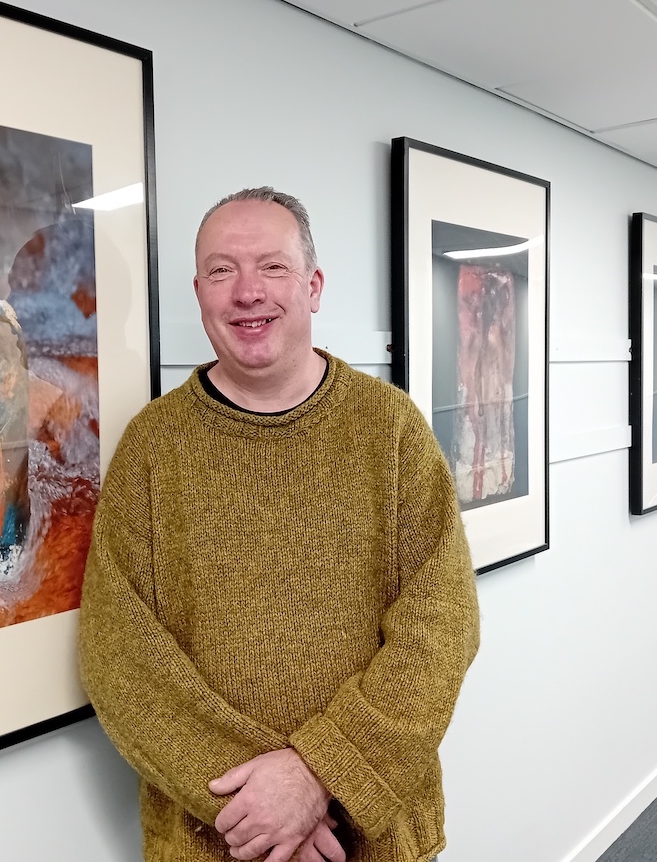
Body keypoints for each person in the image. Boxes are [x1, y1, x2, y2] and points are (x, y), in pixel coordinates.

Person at [78, 187, 480, 862]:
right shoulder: (152, 448)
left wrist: (321, 776)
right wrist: (263, 810)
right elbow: (120, 658)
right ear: (199, 292)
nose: (246, 292)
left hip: (374, 843)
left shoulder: (391, 431)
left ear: (313, 286)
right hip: (215, 841)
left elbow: (441, 630)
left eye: (272, 267)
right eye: (221, 270)